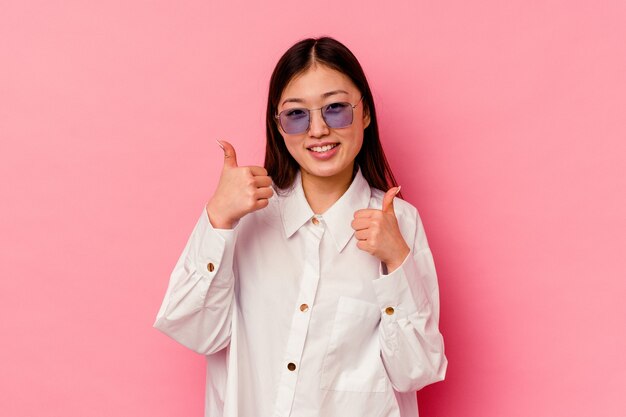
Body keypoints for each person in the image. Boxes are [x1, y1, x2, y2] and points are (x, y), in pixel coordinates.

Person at [154, 36, 447, 417]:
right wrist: (218, 220)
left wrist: (396, 263)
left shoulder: (400, 224)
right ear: (278, 125)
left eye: (336, 108)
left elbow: (415, 372)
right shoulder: (243, 215)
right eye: (297, 114)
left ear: (366, 113)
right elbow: (195, 332)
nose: (319, 130)